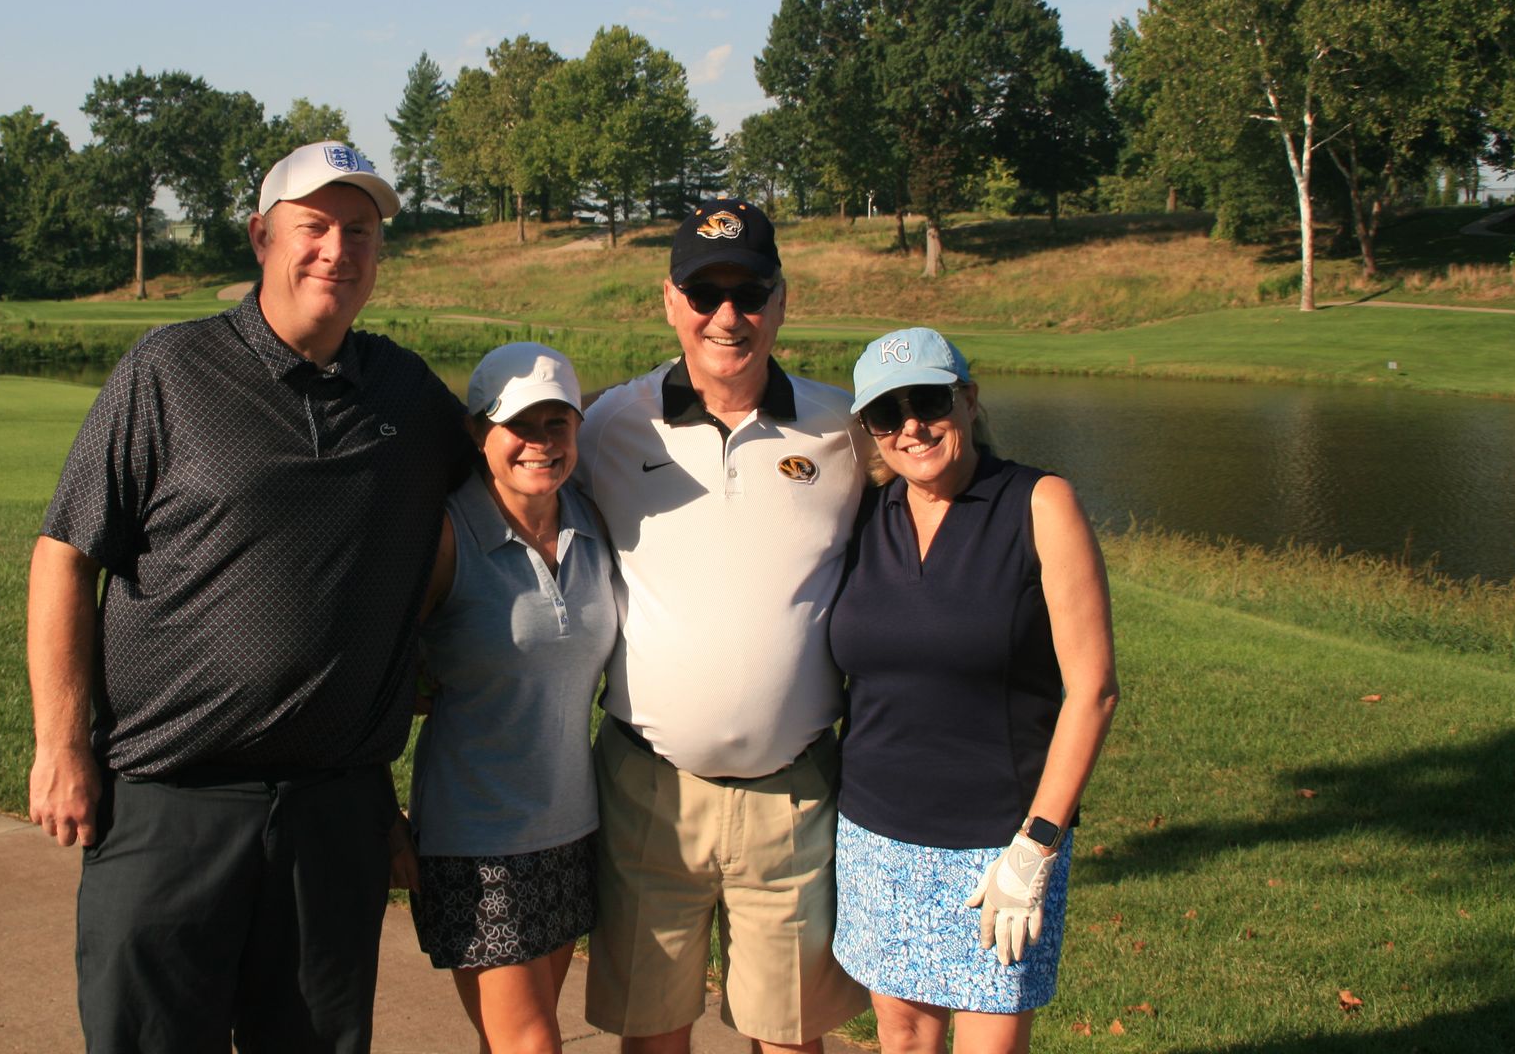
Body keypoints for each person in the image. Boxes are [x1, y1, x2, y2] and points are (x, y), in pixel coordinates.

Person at [25, 141, 469, 1054]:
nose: (336, 251)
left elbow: (499, 489)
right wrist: (62, 745)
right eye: (313, 228)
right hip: (167, 803)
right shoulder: (168, 372)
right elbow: (65, 557)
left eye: (359, 232)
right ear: (263, 238)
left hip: (334, 814)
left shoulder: (407, 396)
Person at [575, 199, 871, 1053]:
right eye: (705, 295)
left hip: (795, 789)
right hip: (649, 790)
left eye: (750, 293)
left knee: (787, 1037)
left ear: (782, 302)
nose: (727, 317)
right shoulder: (608, 426)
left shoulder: (843, 429)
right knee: (654, 1034)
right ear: (670, 300)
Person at [827, 327, 1119, 1054]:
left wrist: (1037, 845)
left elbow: (1094, 690)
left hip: (999, 844)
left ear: (968, 398)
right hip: (875, 833)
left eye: (928, 401)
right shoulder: (867, 514)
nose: (912, 428)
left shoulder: (1039, 503)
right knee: (901, 1037)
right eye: (886, 416)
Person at [402, 341, 619, 1054]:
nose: (540, 443)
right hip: (475, 841)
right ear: (477, 432)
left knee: (521, 1039)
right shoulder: (447, 533)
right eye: (518, 425)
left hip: (570, 829)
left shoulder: (592, 523)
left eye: (558, 424)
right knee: (531, 1043)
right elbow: (374, 673)